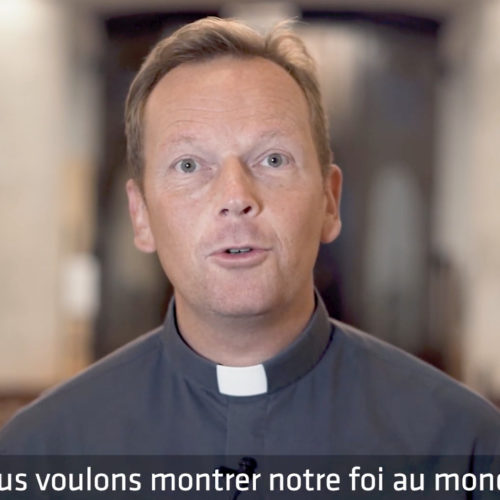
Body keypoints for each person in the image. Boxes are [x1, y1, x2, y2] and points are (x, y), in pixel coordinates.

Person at [1, 16, 499, 464]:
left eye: (273, 159)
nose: (236, 197)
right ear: (141, 215)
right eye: (189, 165)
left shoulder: (464, 445)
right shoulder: (41, 453)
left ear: (329, 202)